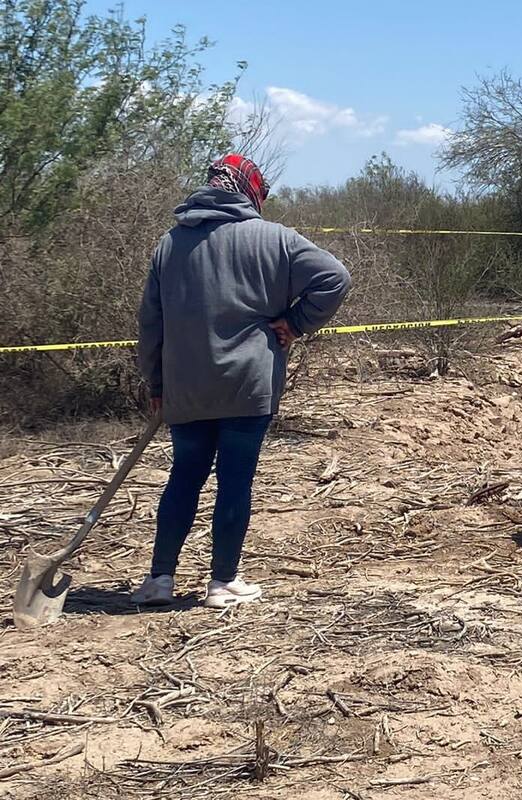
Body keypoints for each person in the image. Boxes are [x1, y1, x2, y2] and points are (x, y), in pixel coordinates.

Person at [134, 154, 351, 608]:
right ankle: (223, 583)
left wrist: (156, 384)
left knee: (183, 477)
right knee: (235, 481)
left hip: (186, 387)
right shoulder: (276, 239)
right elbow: (335, 277)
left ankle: (159, 580)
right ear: (250, 190)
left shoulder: (169, 245)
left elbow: (151, 323)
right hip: (247, 384)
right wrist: (296, 323)